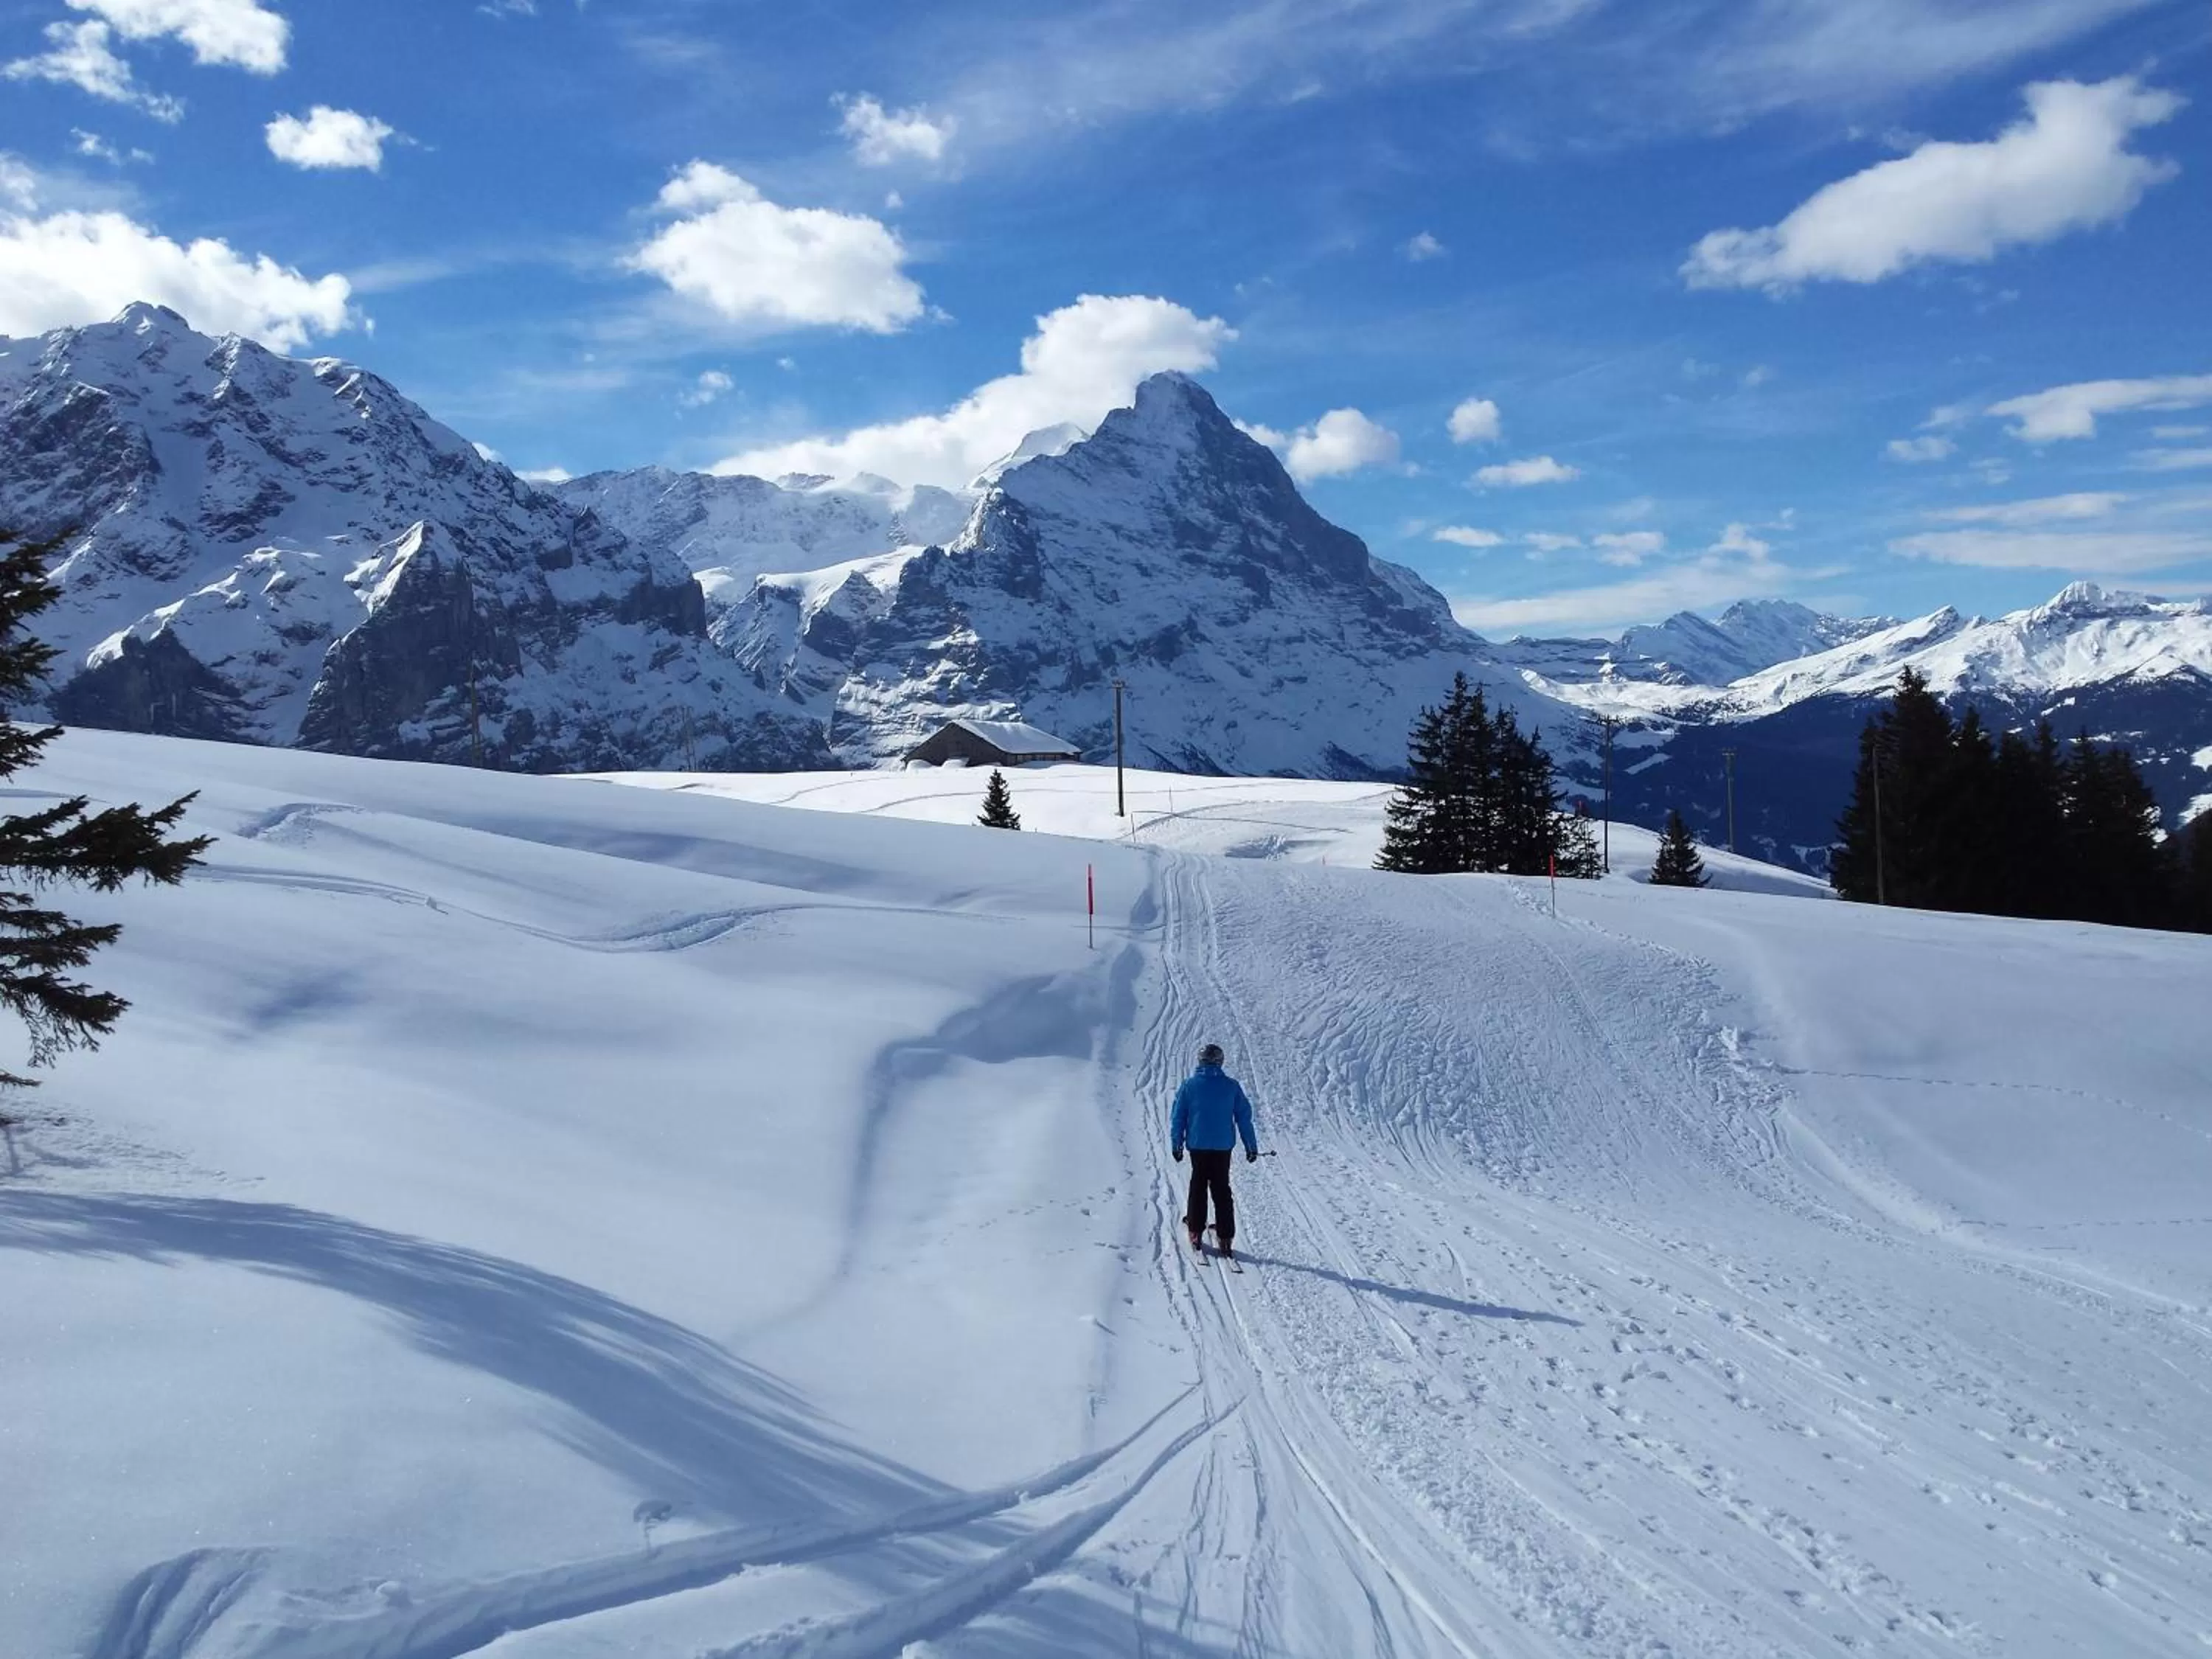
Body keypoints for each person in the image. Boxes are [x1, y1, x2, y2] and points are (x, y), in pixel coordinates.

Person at [1170, 1042, 1258, 1258]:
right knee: (1221, 1188)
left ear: (1200, 1061)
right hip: (1222, 1146)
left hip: (1198, 1145)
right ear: (1220, 1062)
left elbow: (1178, 1117)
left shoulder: (1189, 1086)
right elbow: (1244, 1117)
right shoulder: (1231, 1086)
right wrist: (1251, 1146)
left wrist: (1177, 1144)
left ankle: (1195, 1230)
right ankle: (1225, 1236)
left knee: (1198, 1185)